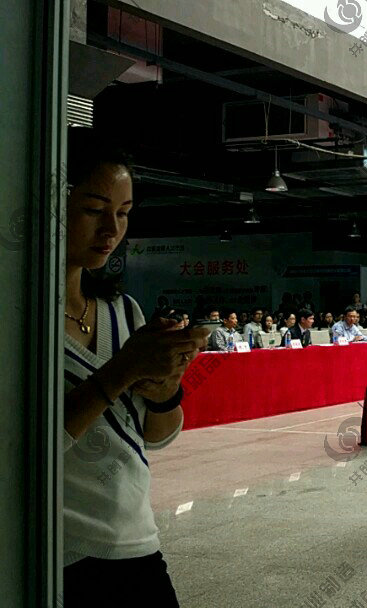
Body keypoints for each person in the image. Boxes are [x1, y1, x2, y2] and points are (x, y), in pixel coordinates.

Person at [62, 128, 205, 605]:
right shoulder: (20, 321)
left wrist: (166, 387)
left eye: (122, 214)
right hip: (61, 551)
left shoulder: (125, 313)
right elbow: (28, 448)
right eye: (93, 210)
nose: (111, 230)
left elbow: (156, 437)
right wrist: (120, 372)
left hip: (138, 542)